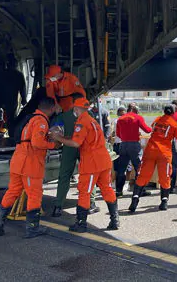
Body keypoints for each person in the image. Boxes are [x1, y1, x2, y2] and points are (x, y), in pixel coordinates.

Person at [49, 97, 119, 233]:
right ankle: (114, 219)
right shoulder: (92, 120)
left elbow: (76, 144)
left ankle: (81, 223)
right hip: (103, 160)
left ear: (76, 108)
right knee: (107, 188)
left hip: (92, 163)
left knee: (84, 192)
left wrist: (58, 138)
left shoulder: (81, 122)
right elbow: (80, 139)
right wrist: (66, 138)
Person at [0, 97, 58, 238]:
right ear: (51, 108)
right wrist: (53, 145)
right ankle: (32, 229)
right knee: (34, 194)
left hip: (18, 160)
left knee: (12, 192)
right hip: (30, 163)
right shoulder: (41, 121)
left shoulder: (30, 118)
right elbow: (37, 143)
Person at [128, 105, 177, 212]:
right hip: (164, 153)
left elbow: (153, 129)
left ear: (164, 111)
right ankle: (164, 202)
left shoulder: (157, 119)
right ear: (173, 113)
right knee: (165, 176)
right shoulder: (174, 124)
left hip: (150, 150)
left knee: (143, 176)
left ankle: (135, 200)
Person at [51, 93, 99, 217]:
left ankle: (58, 206)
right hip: (85, 149)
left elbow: (55, 129)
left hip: (68, 147)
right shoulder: (90, 115)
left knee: (64, 175)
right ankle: (91, 203)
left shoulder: (64, 116)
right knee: (88, 175)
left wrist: (58, 140)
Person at [115, 103, 152, 196]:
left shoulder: (120, 119)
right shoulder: (137, 117)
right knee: (139, 168)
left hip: (123, 145)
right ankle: (140, 191)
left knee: (121, 169)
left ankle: (119, 191)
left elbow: (118, 134)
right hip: (134, 145)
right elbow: (147, 130)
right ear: (135, 109)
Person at [111, 107, 126, 187]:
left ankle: (115, 183)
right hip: (123, 144)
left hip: (117, 144)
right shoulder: (125, 120)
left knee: (116, 166)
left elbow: (113, 132)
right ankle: (123, 184)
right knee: (125, 166)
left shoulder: (116, 121)